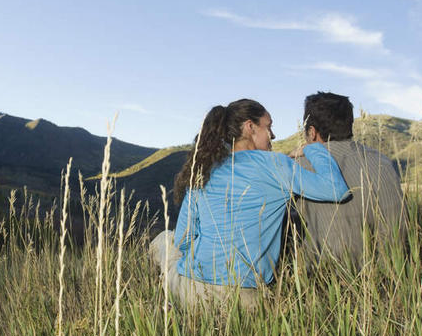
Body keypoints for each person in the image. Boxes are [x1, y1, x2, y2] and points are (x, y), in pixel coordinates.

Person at [149, 98, 350, 310]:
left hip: (190, 290)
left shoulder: (204, 170)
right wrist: (312, 149)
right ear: (249, 127)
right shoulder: (276, 164)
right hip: (246, 300)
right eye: (268, 127)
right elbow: (336, 190)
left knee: (164, 239)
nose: (273, 135)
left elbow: (183, 240)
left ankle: (167, 301)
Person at [291, 92, 407, 270]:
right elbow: (398, 230)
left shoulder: (298, 167)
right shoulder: (382, 162)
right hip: (387, 277)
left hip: (321, 280)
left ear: (312, 132)